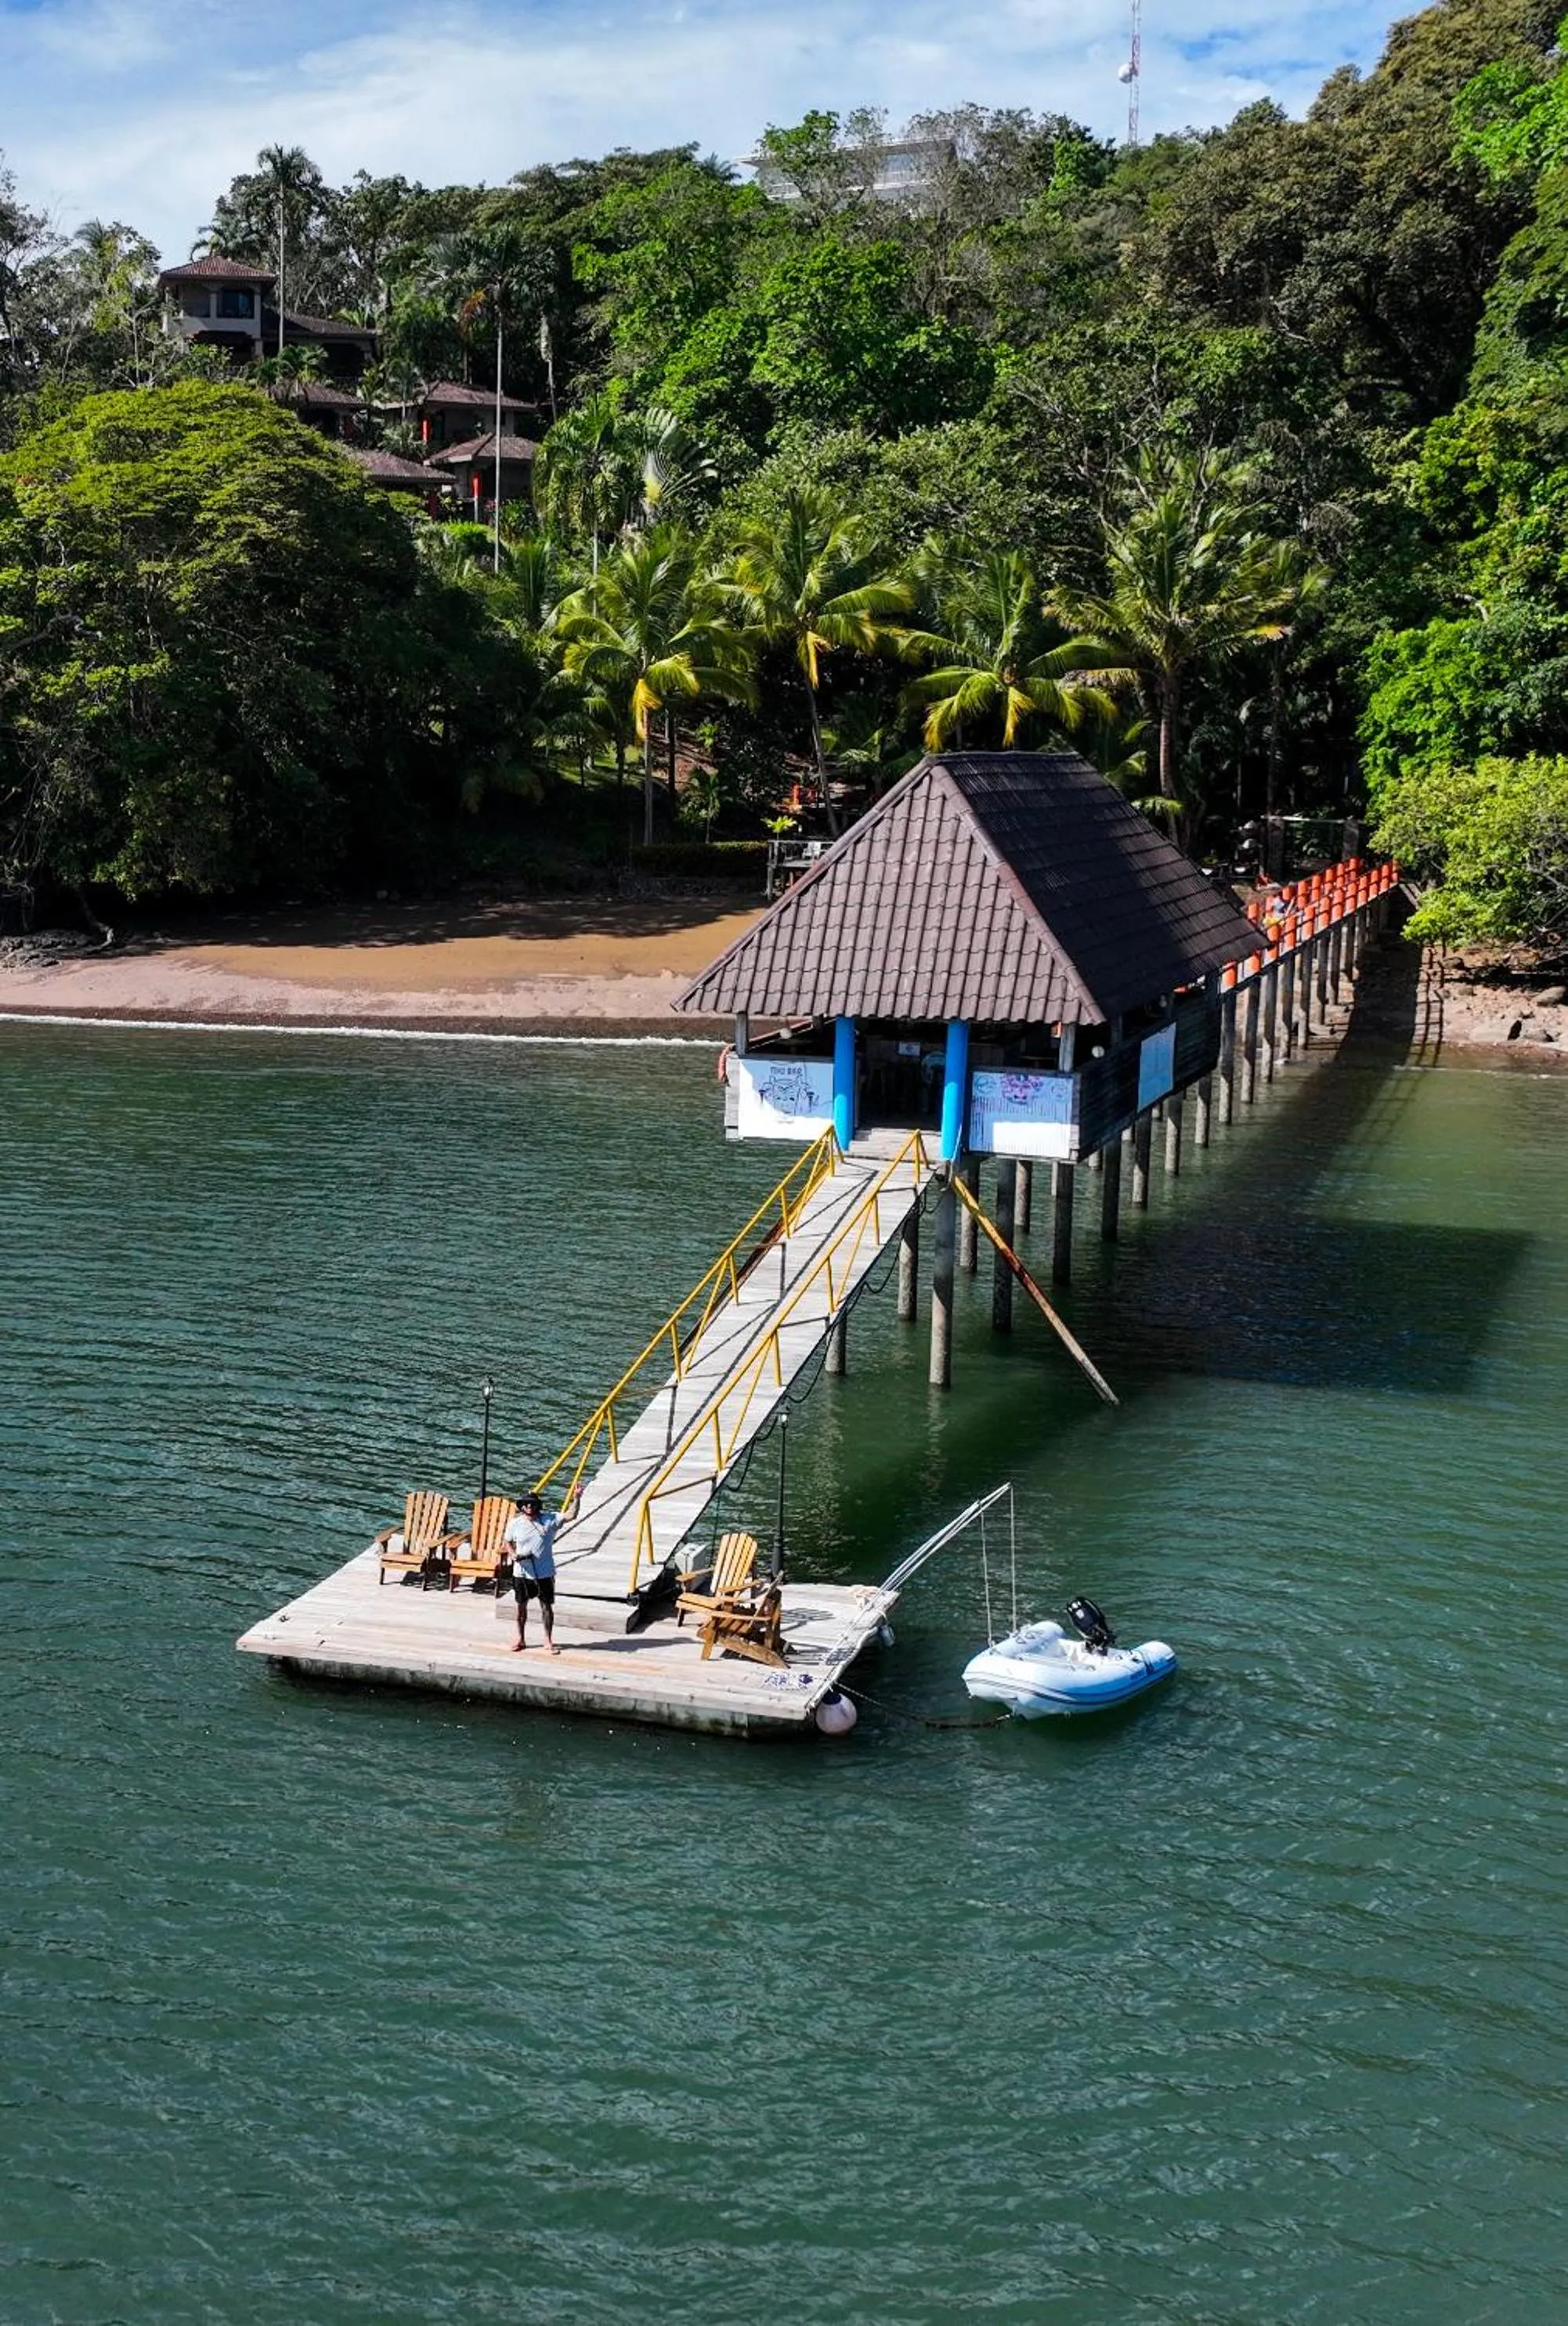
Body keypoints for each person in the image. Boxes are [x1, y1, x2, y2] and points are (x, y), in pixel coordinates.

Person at [504, 1486, 579, 1655]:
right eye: (526, 1504)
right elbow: (507, 1542)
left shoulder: (549, 1519)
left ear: (538, 1505)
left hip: (545, 1573)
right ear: (522, 1506)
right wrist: (513, 1554)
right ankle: (520, 1639)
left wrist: (576, 1497)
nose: (529, 1506)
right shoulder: (515, 1523)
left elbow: (571, 1515)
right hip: (521, 1572)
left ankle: (548, 1640)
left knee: (546, 1607)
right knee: (521, 1607)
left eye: (532, 1504)